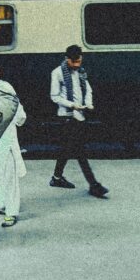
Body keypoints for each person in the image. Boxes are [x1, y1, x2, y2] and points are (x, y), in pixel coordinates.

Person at [49, 44, 108, 198]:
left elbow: (88, 90)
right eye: (73, 62)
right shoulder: (57, 73)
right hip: (66, 116)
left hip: (80, 115)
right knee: (80, 151)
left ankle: (56, 178)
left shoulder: (81, 72)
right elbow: (54, 96)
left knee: (66, 149)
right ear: (66, 59)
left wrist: (89, 103)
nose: (76, 65)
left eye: (79, 61)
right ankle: (94, 185)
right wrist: (72, 105)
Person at [0, 63, 27, 227]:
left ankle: (11, 212)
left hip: (5, 141)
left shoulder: (6, 88)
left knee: (9, 176)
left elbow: (19, 114)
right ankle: (1, 204)